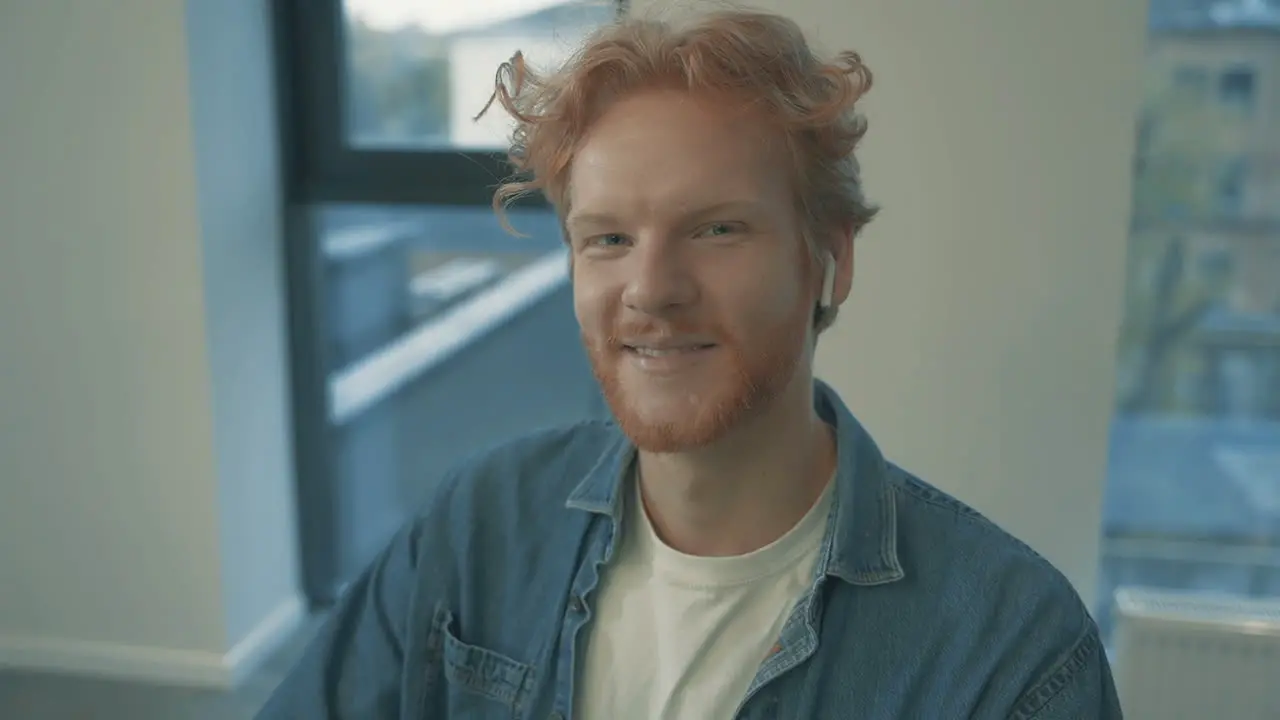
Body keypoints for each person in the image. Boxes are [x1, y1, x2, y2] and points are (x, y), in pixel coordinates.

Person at [258, 6, 1122, 719]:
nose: (651, 290)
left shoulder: (1013, 652)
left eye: (716, 229)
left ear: (830, 258)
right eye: (607, 239)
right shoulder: (477, 524)